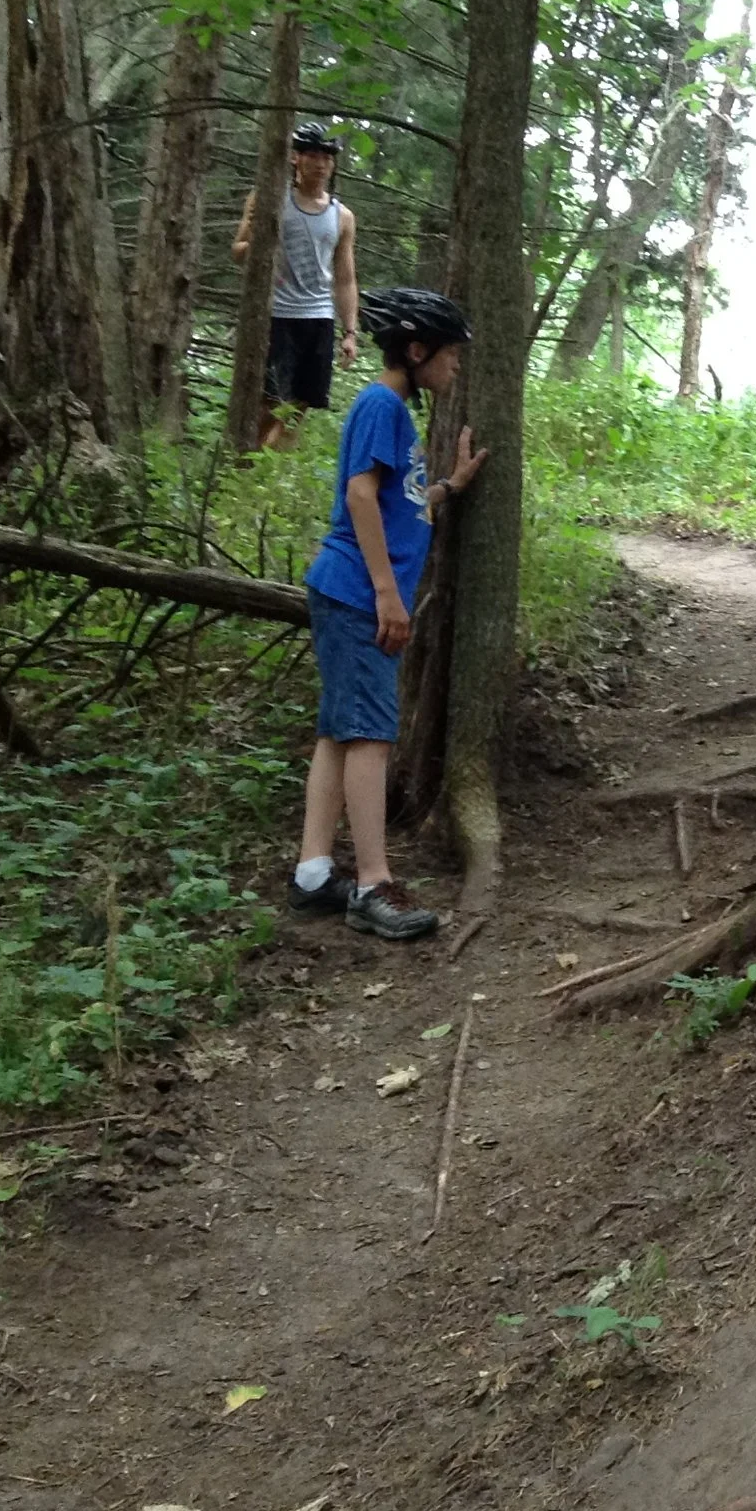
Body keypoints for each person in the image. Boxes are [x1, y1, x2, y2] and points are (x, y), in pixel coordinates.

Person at [289, 288, 487, 940]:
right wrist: (386, 593)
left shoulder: (394, 410)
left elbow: (398, 498)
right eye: (451, 353)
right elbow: (360, 496)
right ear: (416, 348)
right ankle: (373, 884)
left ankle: (314, 875)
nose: (455, 366)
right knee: (371, 735)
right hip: (355, 593)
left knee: (337, 732)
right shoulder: (381, 404)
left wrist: (448, 487)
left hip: (347, 590)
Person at [232, 122, 360, 450]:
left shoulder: (342, 216)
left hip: (318, 319)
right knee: (271, 403)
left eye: (328, 157)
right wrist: (264, 234)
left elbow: (345, 277)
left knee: (300, 407)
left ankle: (269, 479)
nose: (321, 164)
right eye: (313, 155)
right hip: (277, 315)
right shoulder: (269, 199)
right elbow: (238, 252)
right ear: (295, 158)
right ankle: (244, 472)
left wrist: (349, 332)